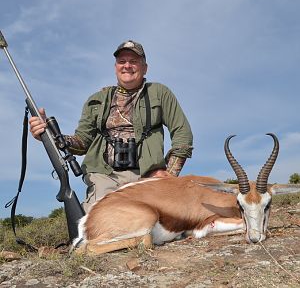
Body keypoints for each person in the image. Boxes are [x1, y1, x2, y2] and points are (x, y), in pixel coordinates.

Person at [29, 40, 193, 212]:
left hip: (147, 175)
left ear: (145, 68)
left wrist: (169, 174)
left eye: (133, 61)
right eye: (122, 62)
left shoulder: (159, 93)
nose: (127, 66)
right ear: (115, 67)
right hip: (105, 175)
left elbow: (183, 133)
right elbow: (82, 142)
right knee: (98, 220)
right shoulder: (97, 100)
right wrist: (49, 135)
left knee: (159, 218)